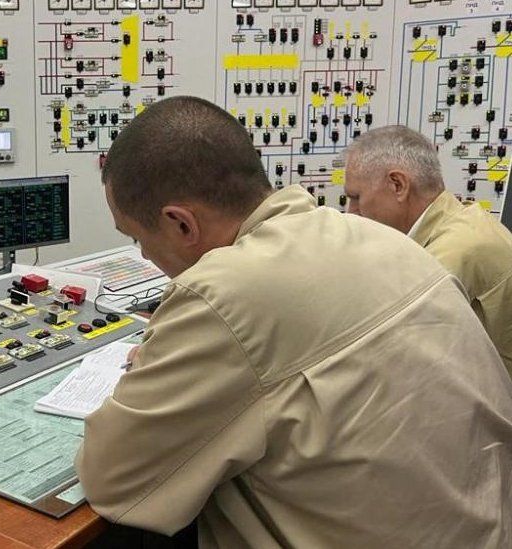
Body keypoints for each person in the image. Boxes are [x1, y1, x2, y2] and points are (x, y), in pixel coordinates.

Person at [75, 96, 512, 547]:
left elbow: (114, 481)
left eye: (138, 239)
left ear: (181, 225)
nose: (144, 255)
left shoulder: (218, 293)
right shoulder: (380, 238)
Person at [344, 125, 512, 376]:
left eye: (356, 197)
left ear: (398, 185)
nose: (351, 211)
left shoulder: (449, 255)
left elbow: (389, 355)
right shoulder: (461, 220)